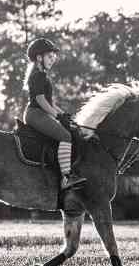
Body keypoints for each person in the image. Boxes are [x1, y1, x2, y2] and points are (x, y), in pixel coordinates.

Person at [22, 38, 89, 190]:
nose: (53, 60)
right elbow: (40, 100)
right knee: (66, 136)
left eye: (54, 57)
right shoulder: (38, 76)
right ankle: (66, 177)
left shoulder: (42, 75)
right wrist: (56, 115)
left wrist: (63, 114)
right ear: (39, 57)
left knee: (69, 130)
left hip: (40, 112)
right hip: (35, 114)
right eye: (49, 57)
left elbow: (50, 103)